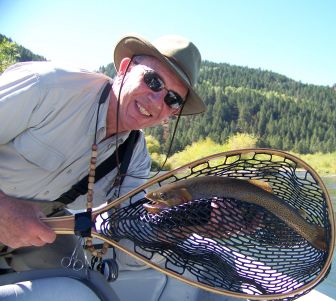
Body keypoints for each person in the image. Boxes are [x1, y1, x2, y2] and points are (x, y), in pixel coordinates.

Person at [0, 33, 207, 299]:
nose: (157, 101)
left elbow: (131, 233)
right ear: (124, 69)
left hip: (39, 228)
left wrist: (188, 223)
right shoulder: (46, 87)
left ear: (173, 113)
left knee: (79, 288)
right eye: (153, 81)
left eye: (172, 99)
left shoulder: (136, 157)